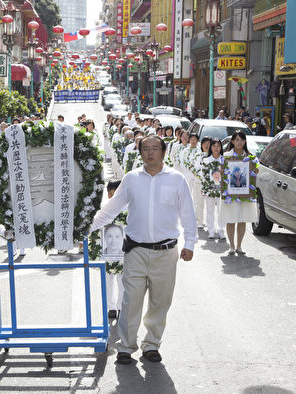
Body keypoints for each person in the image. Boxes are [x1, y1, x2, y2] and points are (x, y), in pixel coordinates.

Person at [90, 135, 197, 365]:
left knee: (160, 301)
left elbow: (188, 214)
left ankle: (151, 345)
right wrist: (87, 227)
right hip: (136, 250)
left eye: (155, 148)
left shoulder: (177, 180)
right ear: (140, 153)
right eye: (145, 149)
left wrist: (190, 244)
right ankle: (126, 346)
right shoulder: (131, 179)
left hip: (166, 252)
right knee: (131, 300)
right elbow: (111, 209)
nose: (150, 153)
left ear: (164, 152)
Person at [220, 131, 259, 255]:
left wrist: (255, 170)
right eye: (237, 140)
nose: (239, 142)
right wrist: (221, 171)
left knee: (242, 219)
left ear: (245, 141)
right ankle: (231, 246)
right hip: (231, 193)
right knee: (230, 219)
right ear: (232, 141)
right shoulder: (226, 156)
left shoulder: (250, 157)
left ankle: (239, 246)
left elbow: (257, 170)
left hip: (245, 194)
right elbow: (219, 172)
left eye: (242, 140)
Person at [102, 180, 125, 320]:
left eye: (114, 192)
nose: (112, 196)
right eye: (109, 193)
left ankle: (121, 306)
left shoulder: (127, 208)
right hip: (108, 250)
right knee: (109, 278)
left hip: (123, 249)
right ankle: (111, 307)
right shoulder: (105, 208)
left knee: (122, 280)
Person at [201, 139, 225, 239]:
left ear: (221, 148)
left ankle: (221, 230)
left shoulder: (224, 160)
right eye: (214, 146)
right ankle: (211, 230)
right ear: (211, 147)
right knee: (210, 210)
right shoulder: (206, 161)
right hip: (210, 189)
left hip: (221, 189)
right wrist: (204, 189)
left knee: (221, 210)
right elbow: (203, 176)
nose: (216, 148)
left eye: (218, 146)